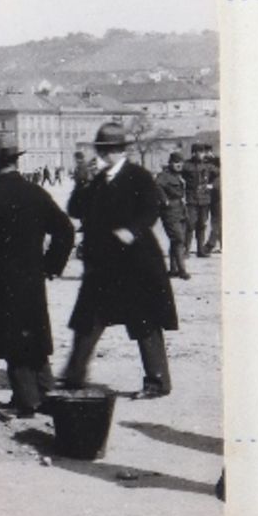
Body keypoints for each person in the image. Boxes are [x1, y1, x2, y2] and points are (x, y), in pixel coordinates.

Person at [62, 122, 177, 399]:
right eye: (104, 150)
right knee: (89, 318)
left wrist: (132, 230)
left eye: (111, 150)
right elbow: (75, 210)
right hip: (103, 264)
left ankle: (157, 382)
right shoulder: (98, 180)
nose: (107, 155)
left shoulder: (138, 176)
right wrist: (82, 183)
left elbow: (152, 207)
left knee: (145, 321)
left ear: (120, 150)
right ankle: (74, 375)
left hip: (137, 263)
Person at [0, 138, 75, 417]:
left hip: (3, 281)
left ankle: (26, 400)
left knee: (13, 341)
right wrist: (51, 265)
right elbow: (66, 230)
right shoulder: (37, 193)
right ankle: (46, 392)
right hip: (33, 277)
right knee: (35, 334)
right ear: (17, 162)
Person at [154, 150, 193, 280]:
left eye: (180, 162)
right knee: (179, 239)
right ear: (170, 163)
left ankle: (173, 269)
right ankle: (182, 270)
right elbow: (157, 186)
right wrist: (164, 200)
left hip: (181, 210)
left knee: (176, 241)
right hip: (170, 212)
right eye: (176, 162)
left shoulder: (179, 176)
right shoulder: (164, 175)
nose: (179, 165)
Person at [184, 143, 217, 258]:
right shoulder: (186, 165)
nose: (201, 154)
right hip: (191, 199)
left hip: (205, 199)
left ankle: (200, 250)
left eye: (202, 152)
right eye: (198, 152)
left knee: (202, 225)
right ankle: (185, 250)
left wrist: (211, 185)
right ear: (193, 153)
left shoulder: (208, 166)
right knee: (190, 224)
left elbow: (219, 174)